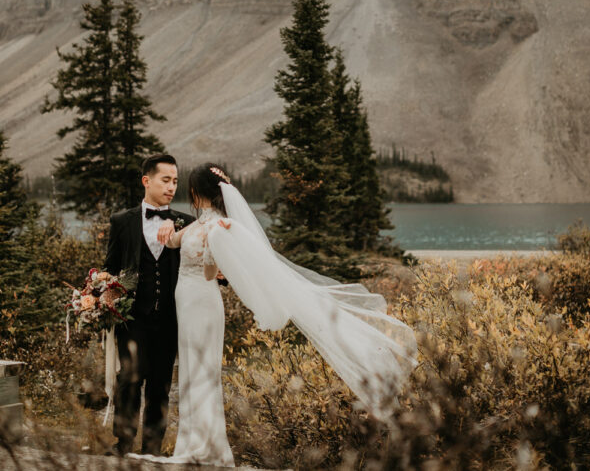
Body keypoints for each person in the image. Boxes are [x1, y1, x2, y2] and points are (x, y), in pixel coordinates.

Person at [131, 162, 418, 465]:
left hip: (201, 303)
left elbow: (209, 273)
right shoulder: (201, 224)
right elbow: (175, 241)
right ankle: (192, 444)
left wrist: (214, 250)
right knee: (191, 370)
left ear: (195, 191)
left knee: (203, 373)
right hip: (187, 304)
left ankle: (206, 447)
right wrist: (169, 230)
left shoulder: (218, 228)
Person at [103, 153, 195, 457]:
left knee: (159, 387)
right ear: (147, 181)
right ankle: (123, 446)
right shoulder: (122, 221)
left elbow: (201, 265)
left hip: (169, 319)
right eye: (165, 180)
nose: (171, 187)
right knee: (128, 380)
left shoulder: (188, 223)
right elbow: (111, 267)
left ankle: (153, 451)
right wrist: (103, 294)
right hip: (132, 318)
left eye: (175, 181)